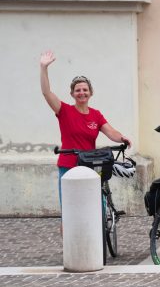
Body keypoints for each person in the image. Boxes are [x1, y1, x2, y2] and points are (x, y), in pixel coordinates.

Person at [40, 51, 132, 207]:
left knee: (97, 208)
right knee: (69, 211)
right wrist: (43, 68)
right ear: (72, 94)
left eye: (85, 90)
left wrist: (122, 138)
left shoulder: (96, 115)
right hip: (68, 165)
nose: (81, 92)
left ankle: (102, 230)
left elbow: (111, 132)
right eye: (78, 90)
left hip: (90, 166)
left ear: (90, 93)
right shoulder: (64, 111)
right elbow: (46, 93)